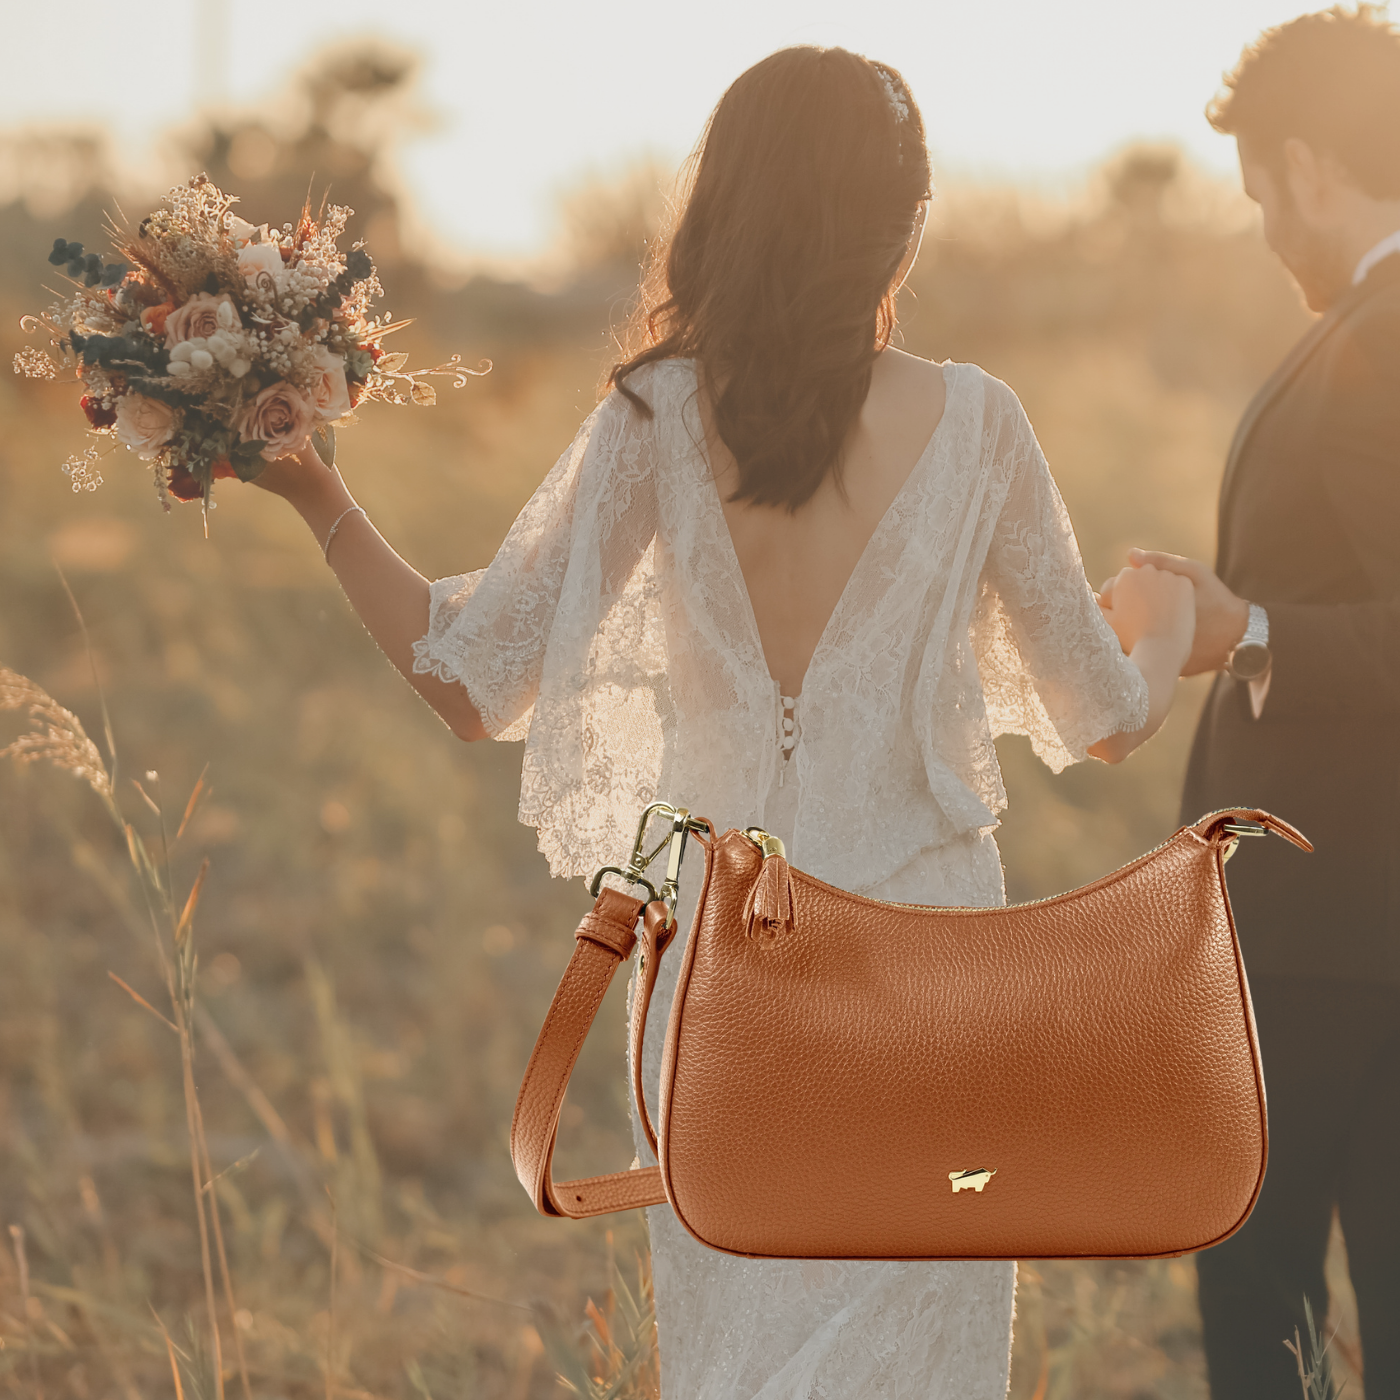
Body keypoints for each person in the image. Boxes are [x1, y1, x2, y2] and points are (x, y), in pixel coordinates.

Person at [255, 47, 1195, 1399]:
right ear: (907, 223)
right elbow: (1103, 716)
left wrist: (318, 499)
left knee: (738, 1359)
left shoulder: (651, 418)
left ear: (722, 208)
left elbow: (470, 681)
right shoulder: (981, 423)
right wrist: (1159, 630)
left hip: (721, 982)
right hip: (929, 968)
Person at [1106, 7, 1400, 1395]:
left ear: (1308, 163)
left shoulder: (1384, 336)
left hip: (1333, 937)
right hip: (1346, 927)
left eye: (1262, 195)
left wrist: (1252, 626)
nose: (1268, 229)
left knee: (1264, 1301)